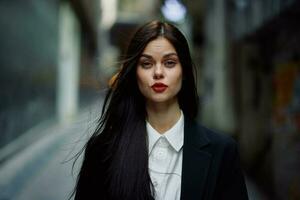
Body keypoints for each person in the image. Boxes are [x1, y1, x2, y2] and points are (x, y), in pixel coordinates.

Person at [72, 20, 249, 200]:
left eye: (170, 63)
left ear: (184, 71)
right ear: (135, 73)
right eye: (147, 64)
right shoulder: (103, 150)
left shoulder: (222, 152)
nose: (158, 72)